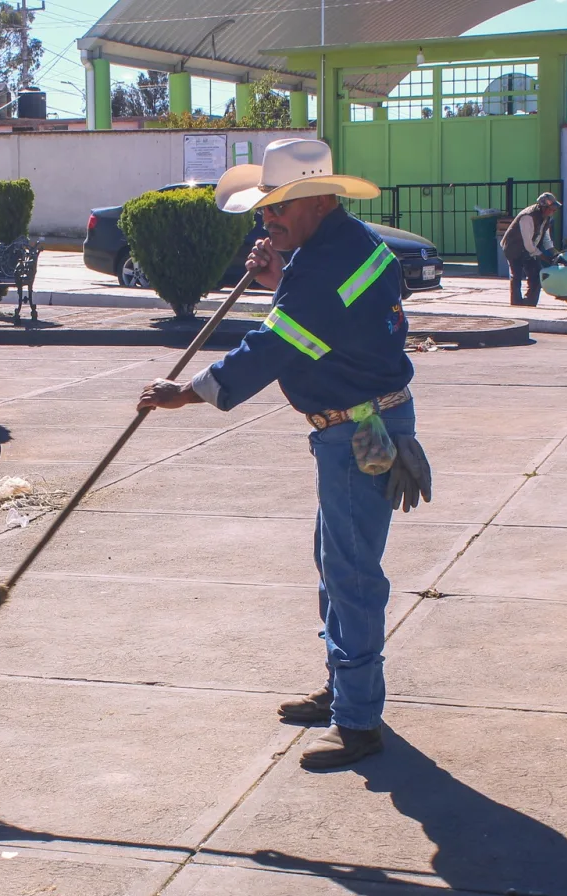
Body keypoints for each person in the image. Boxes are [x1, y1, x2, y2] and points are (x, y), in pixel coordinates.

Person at [137, 139, 432, 770]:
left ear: (322, 201)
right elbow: (327, 321)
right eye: (265, 209)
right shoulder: (341, 249)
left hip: (359, 430)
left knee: (351, 574)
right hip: (360, 423)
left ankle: (357, 722)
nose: (268, 220)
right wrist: (281, 279)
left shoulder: (323, 269)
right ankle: (343, 689)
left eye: (282, 208)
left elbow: (273, 350)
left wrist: (187, 392)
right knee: (334, 560)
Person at [501, 191, 562, 306]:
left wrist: (554, 252)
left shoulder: (546, 217)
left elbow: (545, 238)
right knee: (516, 276)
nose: (553, 211)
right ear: (543, 207)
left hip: (529, 249)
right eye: (551, 208)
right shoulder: (528, 217)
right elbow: (528, 243)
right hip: (513, 248)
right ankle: (516, 303)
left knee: (536, 275)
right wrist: (542, 256)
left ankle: (529, 303)